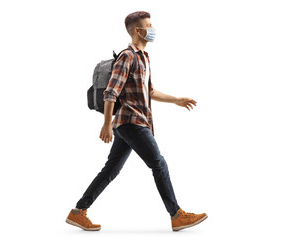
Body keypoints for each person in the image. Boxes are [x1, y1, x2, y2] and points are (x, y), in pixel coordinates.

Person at [65, 11, 207, 232]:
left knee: (111, 169)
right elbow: (111, 92)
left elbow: (149, 91)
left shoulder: (143, 57)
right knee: (159, 164)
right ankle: (177, 215)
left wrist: (177, 100)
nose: (153, 29)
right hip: (132, 121)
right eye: (149, 25)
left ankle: (78, 212)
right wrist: (105, 124)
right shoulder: (128, 56)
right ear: (138, 31)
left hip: (129, 123)